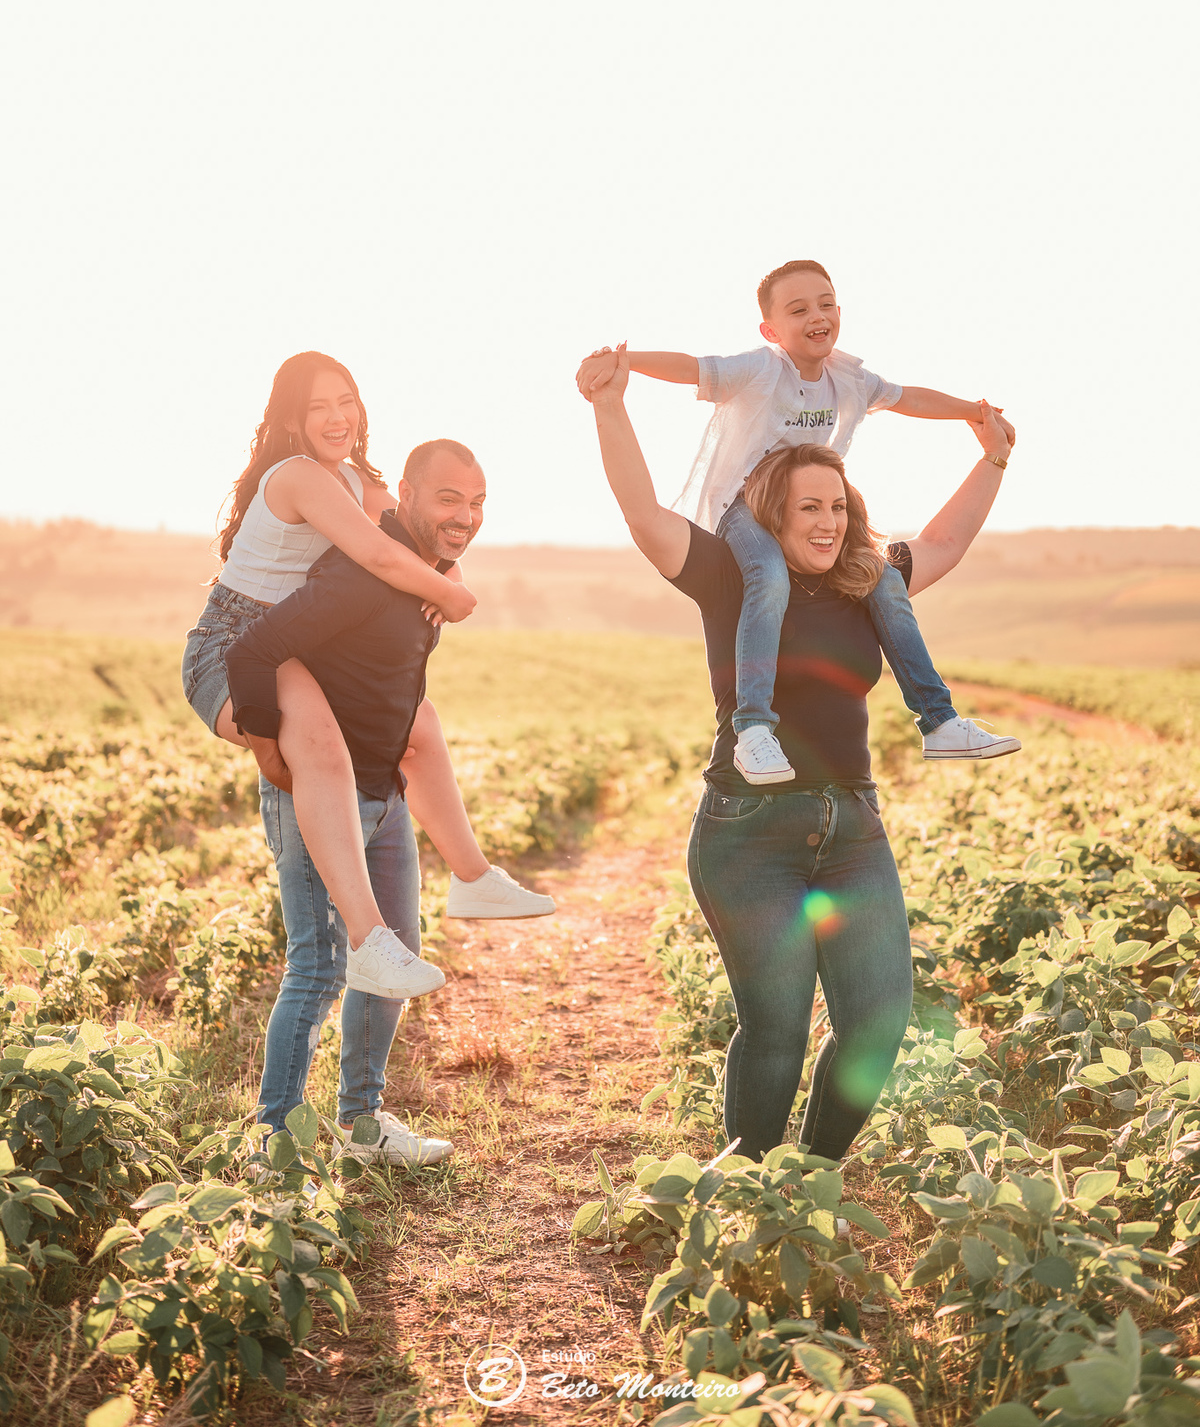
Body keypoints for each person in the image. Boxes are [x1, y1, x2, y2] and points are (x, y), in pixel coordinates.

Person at [579, 344, 1014, 1163]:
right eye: (807, 507)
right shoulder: (728, 577)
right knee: (776, 1026)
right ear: (771, 515)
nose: (826, 522)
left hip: (851, 827)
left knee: (878, 1021)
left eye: (838, 507)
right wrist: (611, 404)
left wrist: (990, 456)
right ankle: (744, 1185)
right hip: (749, 833)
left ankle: (813, 1177)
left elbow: (948, 539)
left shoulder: (869, 584)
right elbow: (644, 514)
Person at [225, 439, 556, 1167]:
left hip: (383, 794)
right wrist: (269, 752)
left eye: (477, 504)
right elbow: (250, 651)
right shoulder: (363, 571)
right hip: (319, 798)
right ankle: (273, 1139)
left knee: (391, 958)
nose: (465, 516)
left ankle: (364, 1124)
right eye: (448, 499)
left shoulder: (423, 575)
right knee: (316, 967)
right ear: (404, 492)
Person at [576, 259, 1020, 785]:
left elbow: (910, 399)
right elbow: (693, 366)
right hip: (747, 505)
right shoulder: (761, 370)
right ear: (771, 330)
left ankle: (940, 722)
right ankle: (756, 729)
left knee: (881, 578)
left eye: (826, 304)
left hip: (803, 492)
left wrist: (976, 414)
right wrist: (623, 360)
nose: (818, 315)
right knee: (768, 572)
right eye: (799, 308)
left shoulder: (850, 379)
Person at [183, 352, 499, 1003]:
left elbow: (429, 532)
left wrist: (449, 580)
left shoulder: (355, 480)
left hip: (296, 648)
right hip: (233, 647)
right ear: (294, 421)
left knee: (422, 722)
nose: (337, 417)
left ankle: (474, 875)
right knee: (321, 747)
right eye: (319, 406)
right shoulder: (299, 475)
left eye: (346, 401)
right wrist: (451, 593)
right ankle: (368, 940)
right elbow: (384, 554)